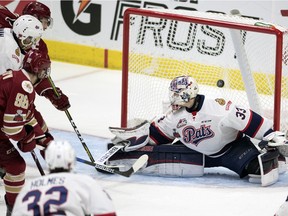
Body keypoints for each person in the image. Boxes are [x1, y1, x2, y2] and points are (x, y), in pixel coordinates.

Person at [107, 75, 287, 186]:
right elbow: (157, 135)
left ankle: (277, 157)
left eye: (178, 94)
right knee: (158, 154)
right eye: (173, 93)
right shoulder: (174, 116)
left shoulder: (217, 107)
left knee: (256, 171)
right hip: (197, 153)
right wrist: (133, 142)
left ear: (188, 93)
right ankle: (121, 158)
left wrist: (269, 134)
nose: (174, 98)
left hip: (233, 150)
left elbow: (246, 118)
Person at [0, 49, 53, 215]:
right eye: (45, 69)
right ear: (38, 69)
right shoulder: (25, 86)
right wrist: (26, 138)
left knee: (13, 164)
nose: (46, 73)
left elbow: (28, 115)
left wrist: (42, 137)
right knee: (15, 166)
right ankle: (14, 209)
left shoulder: (18, 77)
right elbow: (12, 127)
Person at [12, 140, 117, 216]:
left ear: (48, 160)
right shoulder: (84, 182)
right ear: (71, 160)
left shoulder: (29, 187)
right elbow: (107, 213)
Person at [0, 2, 70, 112]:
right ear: (35, 19)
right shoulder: (5, 17)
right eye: (45, 21)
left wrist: (51, 93)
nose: (46, 26)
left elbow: (35, 72)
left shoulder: (39, 46)